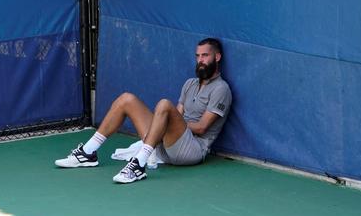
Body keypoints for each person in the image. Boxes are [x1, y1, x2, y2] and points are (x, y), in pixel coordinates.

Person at [54, 37, 232, 184]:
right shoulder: (189, 84)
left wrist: (163, 123)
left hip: (191, 151)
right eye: (198, 56)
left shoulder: (221, 89)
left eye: (205, 56)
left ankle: (138, 165)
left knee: (164, 104)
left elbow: (201, 128)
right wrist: (162, 125)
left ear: (217, 57)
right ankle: (88, 153)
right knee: (126, 99)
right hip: (166, 146)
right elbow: (178, 116)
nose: (200, 60)